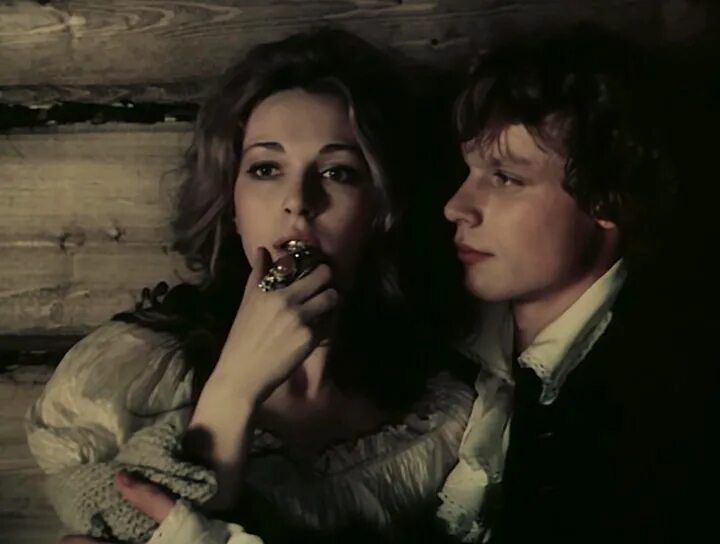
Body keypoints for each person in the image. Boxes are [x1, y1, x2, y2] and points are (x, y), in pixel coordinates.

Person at [27, 28, 475, 544]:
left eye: (338, 172)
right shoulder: (131, 375)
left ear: (382, 208)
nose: (298, 201)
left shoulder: (441, 417)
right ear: (233, 207)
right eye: (266, 168)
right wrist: (236, 383)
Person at [436, 22, 715, 543]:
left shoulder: (669, 400)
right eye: (467, 172)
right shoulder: (445, 337)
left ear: (608, 197)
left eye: (505, 178)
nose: (456, 207)